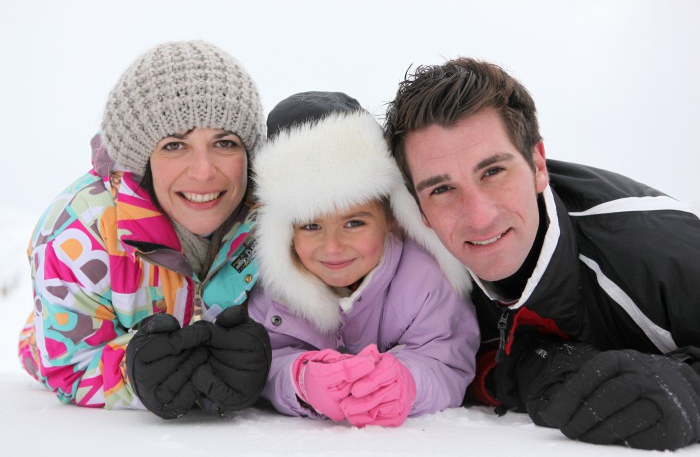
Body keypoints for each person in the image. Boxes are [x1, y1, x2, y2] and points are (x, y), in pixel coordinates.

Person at [383, 58, 700, 450]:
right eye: (442, 190)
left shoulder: (656, 252)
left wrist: (691, 389)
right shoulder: (411, 277)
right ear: (418, 208)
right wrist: (538, 366)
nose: (479, 217)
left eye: (493, 172)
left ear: (537, 164)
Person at [18, 40, 272, 419]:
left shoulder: (274, 220)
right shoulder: (77, 235)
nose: (203, 171)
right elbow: (68, 364)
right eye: (174, 145)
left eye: (224, 142)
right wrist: (132, 372)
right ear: (141, 159)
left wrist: (274, 365)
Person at [247, 91, 479, 427]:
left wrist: (407, 381)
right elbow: (265, 359)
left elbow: (445, 357)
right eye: (311, 226)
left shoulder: (425, 280)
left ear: (391, 219)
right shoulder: (275, 292)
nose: (333, 247)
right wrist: (301, 379)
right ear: (285, 232)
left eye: (354, 223)